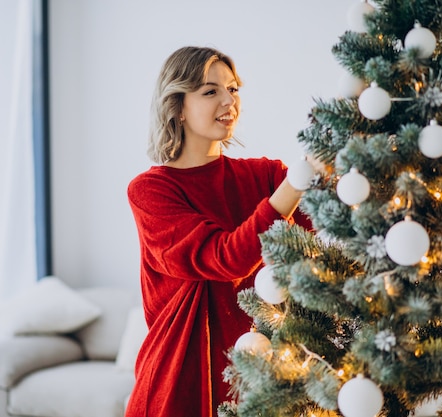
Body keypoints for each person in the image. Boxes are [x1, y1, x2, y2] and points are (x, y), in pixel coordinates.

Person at [126, 46, 313, 417]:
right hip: (179, 383)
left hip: (264, 380)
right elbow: (225, 258)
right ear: (178, 107)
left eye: (234, 88)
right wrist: (298, 182)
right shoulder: (150, 192)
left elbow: (331, 227)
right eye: (210, 91)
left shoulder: (266, 177)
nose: (229, 100)